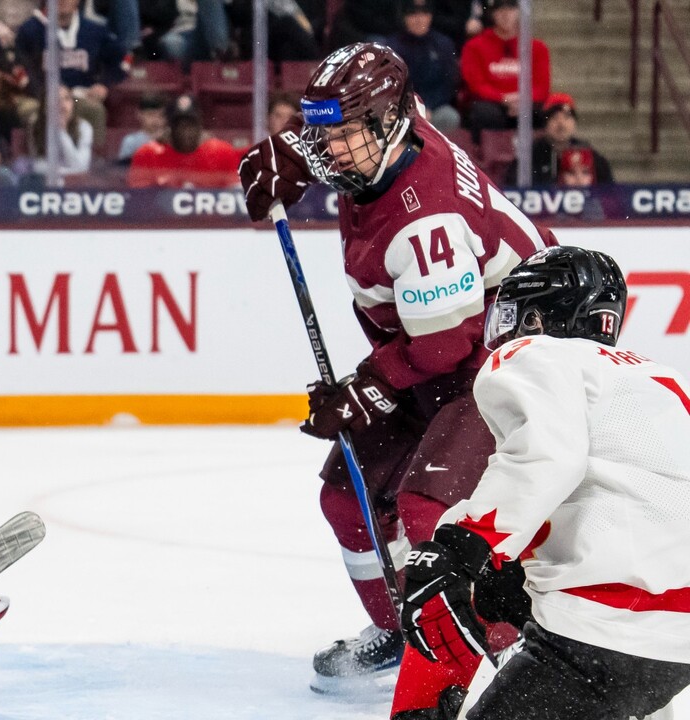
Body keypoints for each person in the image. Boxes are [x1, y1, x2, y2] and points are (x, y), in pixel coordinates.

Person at [237, 42, 556, 697]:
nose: (327, 149)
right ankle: (407, 627)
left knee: (427, 503)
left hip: (511, 358)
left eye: (338, 136)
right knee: (345, 497)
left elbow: (444, 346)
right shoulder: (393, 133)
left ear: (388, 126)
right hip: (444, 349)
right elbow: (430, 345)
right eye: (320, 133)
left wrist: (364, 393)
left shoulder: (426, 221)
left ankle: (503, 654)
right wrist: (290, 150)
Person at [394, 246, 690, 720]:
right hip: (676, 646)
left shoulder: (534, 354)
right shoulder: (665, 379)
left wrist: (460, 545)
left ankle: (416, 715)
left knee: (444, 579)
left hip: (598, 638)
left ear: (535, 316)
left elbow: (548, 455)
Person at [14, 0, 127, 145]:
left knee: (94, 109)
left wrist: (104, 84)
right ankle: (38, 161)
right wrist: (41, 94)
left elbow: (124, 60)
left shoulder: (94, 31)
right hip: (40, 98)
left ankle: (95, 161)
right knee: (30, 111)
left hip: (78, 98)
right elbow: (19, 68)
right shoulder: (30, 30)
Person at [459, 0, 551, 144]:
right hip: (492, 103)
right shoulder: (474, 46)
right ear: (492, 14)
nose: (506, 15)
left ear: (518, 12)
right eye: (500, 11)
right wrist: (503, 98)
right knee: (485, 113)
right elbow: (476, 84)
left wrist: (522, 99)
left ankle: (538, 161)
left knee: (541, 113)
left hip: (524, 101)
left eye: (510, 10)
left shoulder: (537, 47)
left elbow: (542, 86)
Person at [127, 94, 240, 188]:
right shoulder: (146, 154)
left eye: (191, 124)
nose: (185, 130)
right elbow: (138, 202)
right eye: (178, 125)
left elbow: (237, 199)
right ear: (169, 127)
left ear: (200, 125)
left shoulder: (222, 152)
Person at [504, 93, 614, 187]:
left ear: (574, 123)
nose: (561, 124)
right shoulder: (531, 154)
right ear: (545, 124)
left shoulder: (586, 152)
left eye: (567, 117)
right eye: (555, 118)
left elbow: (608, 191)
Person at [388, 0, 460, 133]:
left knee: (450, 116)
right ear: (404, 18)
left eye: (423, 15)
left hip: (434, 108)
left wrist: (428, 107)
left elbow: (448, 84)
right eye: (413, 15)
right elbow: (393, 86)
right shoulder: (393, 47)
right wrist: (413, 108)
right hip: (403, 109)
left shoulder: (443, 45)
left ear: (430, 17)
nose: (419, 20)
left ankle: (441, 152)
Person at [28, 84, 93, 176]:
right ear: (45, 107)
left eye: (67, 99)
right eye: (55, 99)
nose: (62, 105)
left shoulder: (84, 127)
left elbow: (80, 167)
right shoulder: (36, 125)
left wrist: (62, 131)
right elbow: (38, 166)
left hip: (76, 186)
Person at [115, 91, 168, 163]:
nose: (156, 120)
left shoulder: (169, 140)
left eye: (160, 115)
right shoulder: (131, 141)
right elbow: (123, 169)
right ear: (139, 114)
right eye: (150, 115)